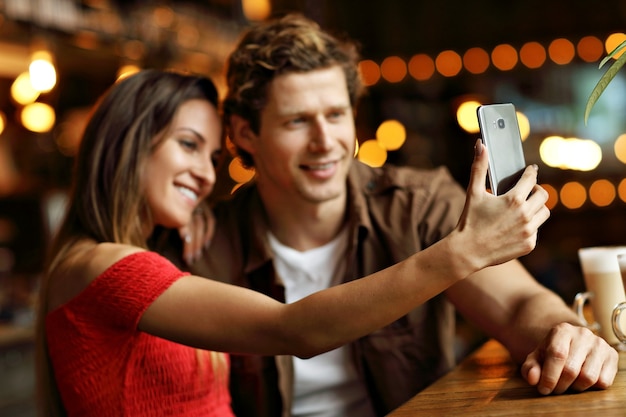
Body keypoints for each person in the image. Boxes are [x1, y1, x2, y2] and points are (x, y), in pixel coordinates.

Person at [34, 70, 547, 417]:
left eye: (211, 158)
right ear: (126, 143)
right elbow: (292, 329)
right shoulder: (103, 267)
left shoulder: (152, 258)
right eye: (187, 145)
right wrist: (464, 250)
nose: (204, 175)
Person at [178, 13, 618, 417]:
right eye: (297, 122)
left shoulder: (417, 203)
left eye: (336, 115)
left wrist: (563, 335)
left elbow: (519, 302)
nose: (325, 141)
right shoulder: (207, 241)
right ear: (244, 132)